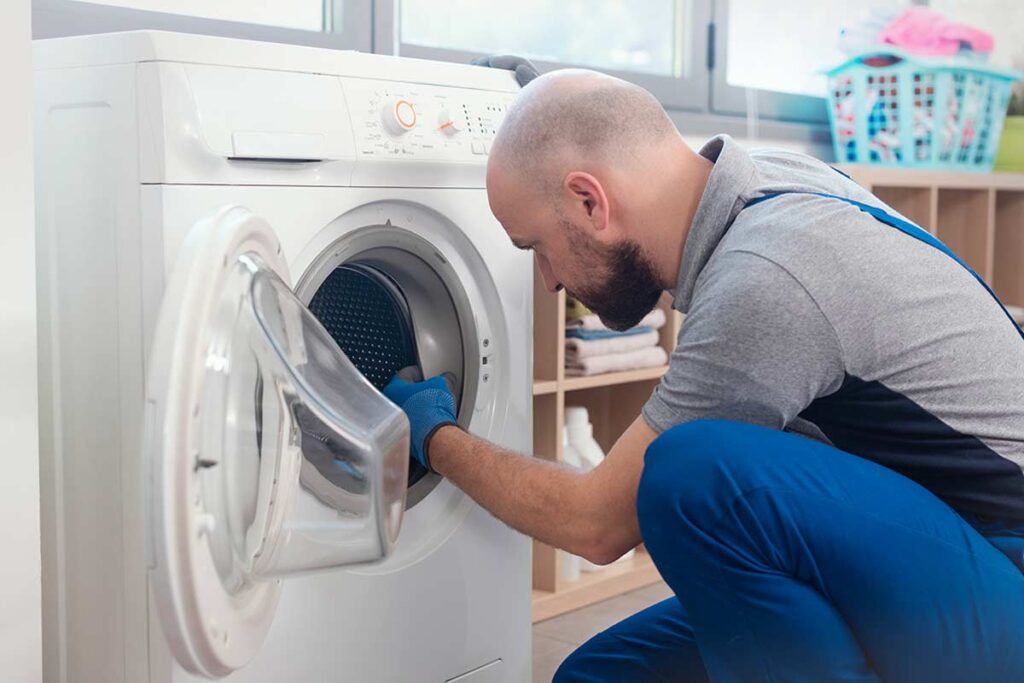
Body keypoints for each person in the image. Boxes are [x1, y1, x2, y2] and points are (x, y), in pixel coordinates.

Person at [383, 60, 1024, 682]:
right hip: (938, 543)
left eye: (538, 248)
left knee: (695, 475)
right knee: (601, 675)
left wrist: (437, 438)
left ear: (589, 201)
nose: (548, 281)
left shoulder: (766, 279)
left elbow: (595, 524)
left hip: (1005, 575)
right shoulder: (767, 184)